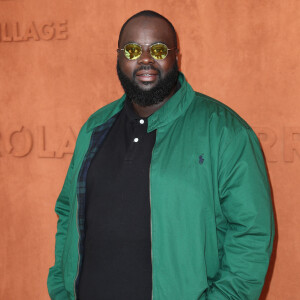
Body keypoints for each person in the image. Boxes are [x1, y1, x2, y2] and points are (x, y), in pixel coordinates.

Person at [47, 10, 274, 300]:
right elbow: (67, 212)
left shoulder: (225, 131)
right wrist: (61, 289)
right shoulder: (94, 128)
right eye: (132, 50)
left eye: (157, 49)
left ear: (176, 56)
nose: (145, 59)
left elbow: (251, 234)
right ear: (119, 57)